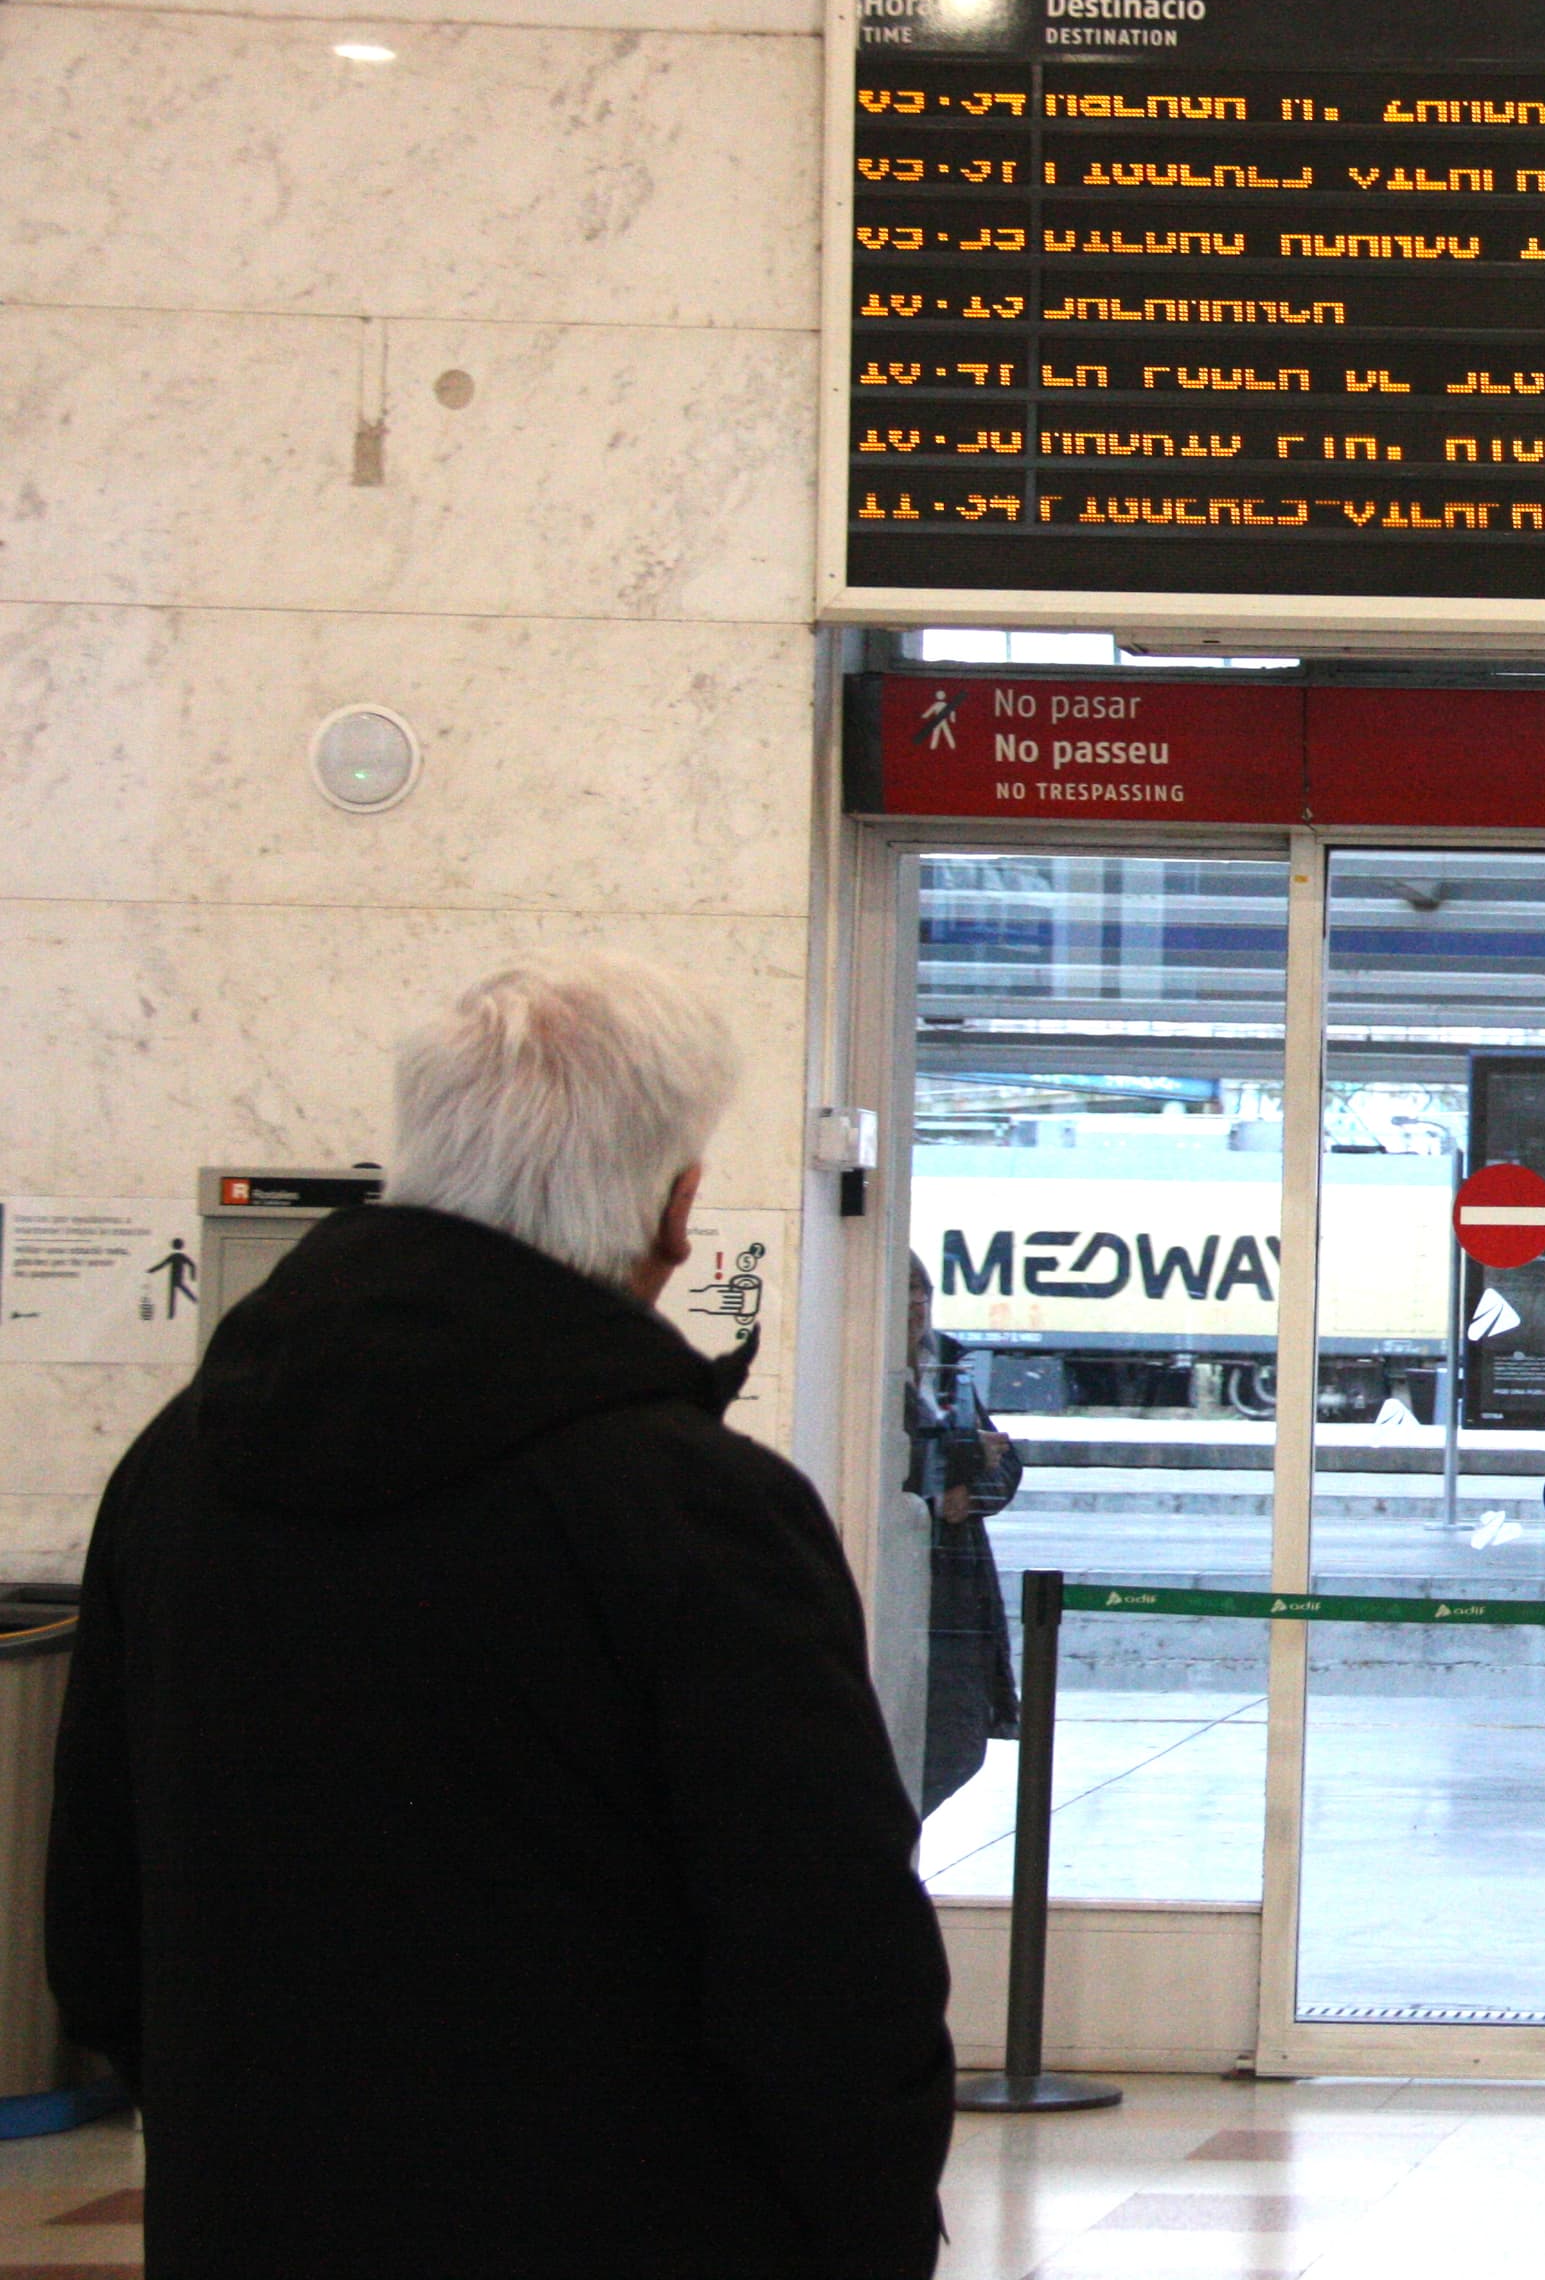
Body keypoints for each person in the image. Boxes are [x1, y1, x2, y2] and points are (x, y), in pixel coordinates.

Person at [48, 953, 955, 2279]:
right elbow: (824, 1955)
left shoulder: (178, 1470)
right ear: (674, 1208)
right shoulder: (693, 1507)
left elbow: (98, 1924)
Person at [902, 1256, 1025, 1815]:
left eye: (923, 1291)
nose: (916, 1305)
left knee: (959, 1741)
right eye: (904, 1292)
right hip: (901, 1573)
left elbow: (1007, 1460)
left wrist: (970, 1493)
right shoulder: (862, 1369)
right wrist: (968, 1454)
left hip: (958, 1581)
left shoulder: (950, 1362)